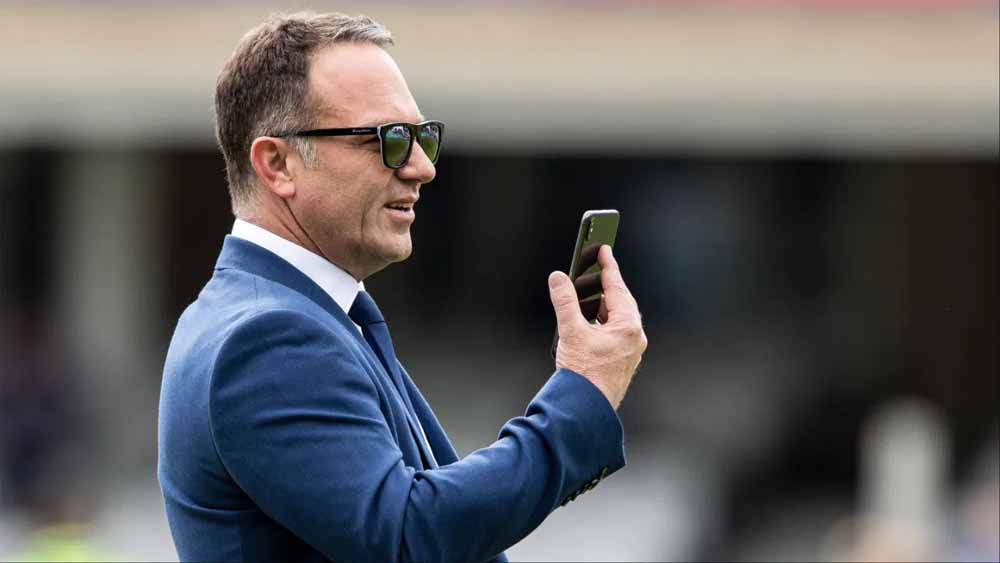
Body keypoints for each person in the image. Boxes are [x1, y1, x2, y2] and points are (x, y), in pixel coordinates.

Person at [157, 11, 647, 563]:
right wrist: (583, 392)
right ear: (278, 164)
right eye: (388, 139)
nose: (421, 167)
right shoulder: (268, 337)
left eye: (422, 136)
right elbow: (410, 534)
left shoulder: (293, 314)